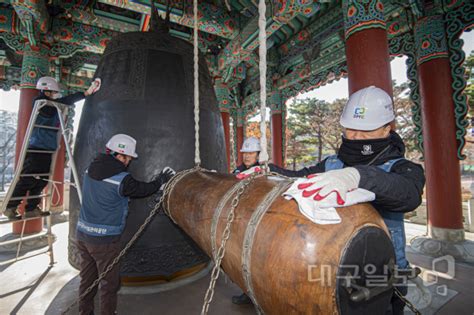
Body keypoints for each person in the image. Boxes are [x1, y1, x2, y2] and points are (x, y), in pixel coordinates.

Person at [269, 86, 425, 314]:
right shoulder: (333, 164)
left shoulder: (403, 168)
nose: (356, 137)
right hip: (334, 265)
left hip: (382, 272)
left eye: (366, 131)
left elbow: (408, 195)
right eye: (350, 130)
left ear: (386, 129)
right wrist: (269, 172)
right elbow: (299, 177)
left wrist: (358, 176)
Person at [76, 134, 175, 315]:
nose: (129, 162)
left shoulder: (89, 169)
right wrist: (160, 181)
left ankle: (85, 312)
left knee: (87, 279)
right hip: (104, 240)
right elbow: (140, 189)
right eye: (128, 158)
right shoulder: (121, 179)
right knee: (109, 284)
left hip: (82, 234)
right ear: (120, 156)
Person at [3, 76, 101, 219]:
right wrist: (84, 94)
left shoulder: (53, 105)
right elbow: (55, 106)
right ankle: (11, 207)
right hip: (36, 148)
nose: (54, 95)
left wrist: (84, 95)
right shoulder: (40, 103)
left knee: (42, 179)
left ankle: (31, 208)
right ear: (46, 91)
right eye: (53, 92)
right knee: (27, 179)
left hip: (47, 148)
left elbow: (60, 103)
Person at [231, 136, 260, 305]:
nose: (247, 156)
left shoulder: (266, 171)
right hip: (240, 221)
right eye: (245, 153)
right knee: (242, 260)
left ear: (258, 154)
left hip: (258, 223)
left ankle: (259, 296)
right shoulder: (237, 172)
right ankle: (247, 293)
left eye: (251, 153)